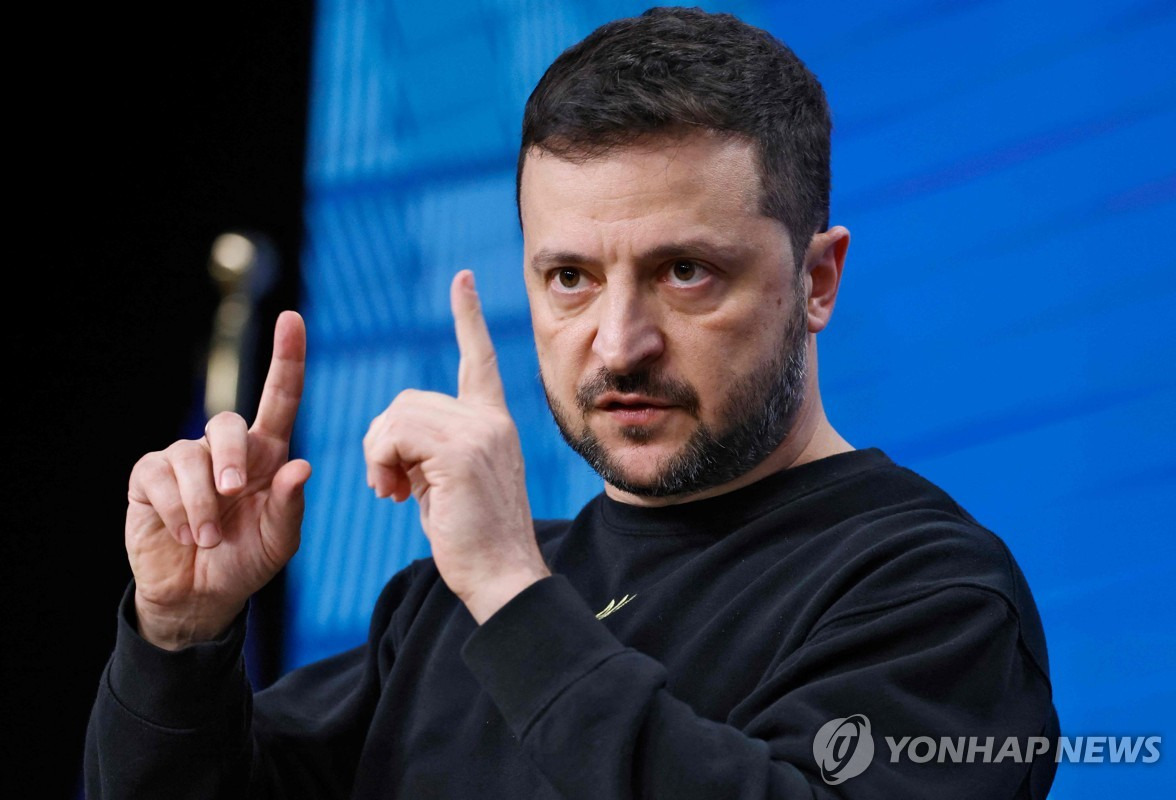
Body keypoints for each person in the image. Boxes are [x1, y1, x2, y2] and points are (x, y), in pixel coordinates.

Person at [84, 7, 1059, 798]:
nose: (619, 342)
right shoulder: (438, 607)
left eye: (685, 271)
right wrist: (180, 638)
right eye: (571, 278)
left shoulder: (933, 593)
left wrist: (512, 593)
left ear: (817, 280)